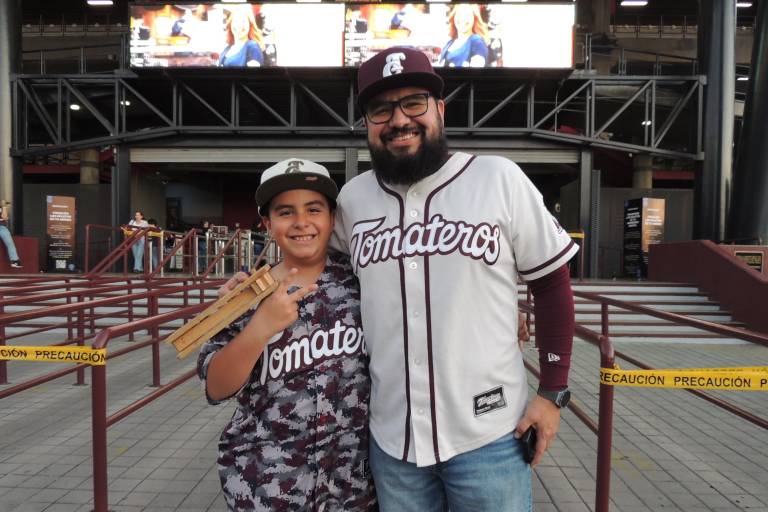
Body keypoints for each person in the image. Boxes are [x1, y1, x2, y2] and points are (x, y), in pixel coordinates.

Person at [332, 47, 578, 510]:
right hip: (393, 440)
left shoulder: (496, 177)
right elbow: (319, 277)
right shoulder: (352, 199)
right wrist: (251, 288)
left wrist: (552, 391)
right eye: (381, 109)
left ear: (440, 109)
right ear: (366, 122)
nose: (399, 120)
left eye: (414, 103)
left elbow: (550, 283)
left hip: (490, 437)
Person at [198, 158, 376, 510]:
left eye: (314, 209)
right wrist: (260, 326)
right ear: (267, 222)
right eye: (285, 212)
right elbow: (216, 388)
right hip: (266, 483)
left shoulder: (364, 282)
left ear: (332, 218)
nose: (301, 222)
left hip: (350, 484)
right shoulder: (245, 295)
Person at [437, 4, 489, 68]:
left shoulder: (477, 41)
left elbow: (477, 74)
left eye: (467, 15)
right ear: (454, 17)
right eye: (459, 15)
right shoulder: (450, 42)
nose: (463, 19)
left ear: (474, 18)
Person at [0, 200, 21, 268]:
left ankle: (15, 261)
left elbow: (5, 217)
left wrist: (4, 207)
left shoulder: (2, 208)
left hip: (2, 228)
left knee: (9, 242)